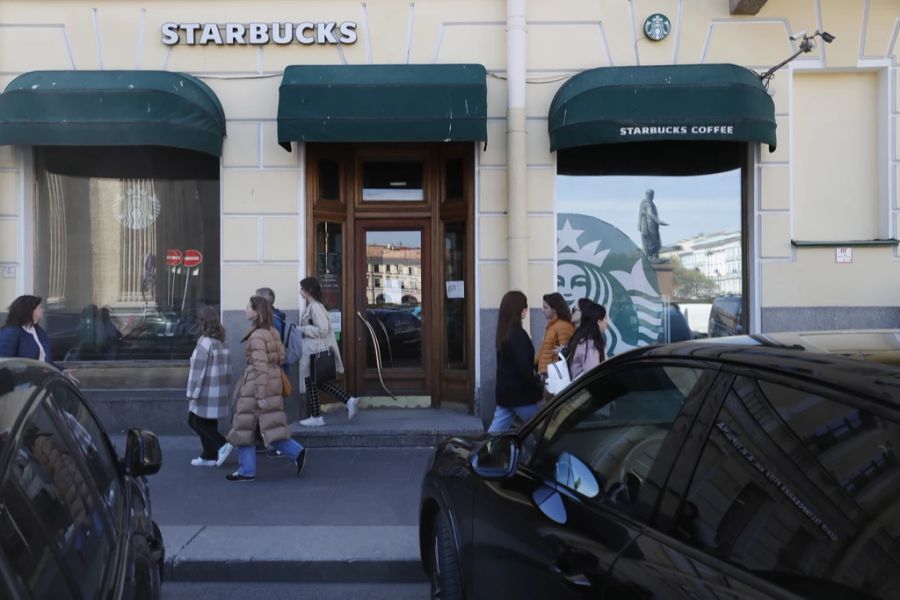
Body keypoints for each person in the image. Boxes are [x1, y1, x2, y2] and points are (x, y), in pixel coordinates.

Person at [224, 296, 306, 482]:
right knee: (268, 425)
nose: (244, 309)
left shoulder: (257, 336)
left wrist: (260, 394)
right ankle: (296, 452)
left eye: (248, 307)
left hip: (256, 386)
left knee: (244, 428)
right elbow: (281, 356)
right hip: (271, 382)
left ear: (256, 312)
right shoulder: (271, 332)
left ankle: (247, 471)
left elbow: (260, 366)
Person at [297, 277, 359, 426]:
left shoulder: (316, 307)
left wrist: (302, 329)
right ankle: (347, 401)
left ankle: (318, 416)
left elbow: (323, 329)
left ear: (308, 291)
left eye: (302, 288)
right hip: (312, 349)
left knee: (313, 382)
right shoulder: (313, 306)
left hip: (315, 350)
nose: (299, 291)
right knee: (316, 382)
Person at [488, 291, 543, 433]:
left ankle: (478, 454)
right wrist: (538, 386)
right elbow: (524, 368)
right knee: (542, 433)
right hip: (521, 396)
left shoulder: (504, 332)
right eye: (525, 306)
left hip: (505, 395)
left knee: (493, 436)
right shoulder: (518, 334)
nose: (527, 309)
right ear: (519, 310)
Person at [185, 306, 233, 468]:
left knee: (194, 421)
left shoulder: (204, 342)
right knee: (209, 423)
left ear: (202, 322)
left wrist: (191, 392)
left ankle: (222, 444)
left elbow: (197, 370)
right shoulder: (221, 342)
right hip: (218, 389)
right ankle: (209, 456)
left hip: (204, 390)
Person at [0, 295, 77, 383]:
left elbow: (45, 362)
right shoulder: (12, 331)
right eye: (39, 307)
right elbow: (4, 362)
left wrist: (62, 371)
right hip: (21, 387)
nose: (42, 310)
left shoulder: (38, 331)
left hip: (41, 385)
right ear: (30, 311)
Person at [536, 292, 575, 384]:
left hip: (555, 375)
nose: (542, 310)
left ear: (555, 309)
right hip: (546, 373)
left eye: (545, 307)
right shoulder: (552, 325)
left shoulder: (563, 326)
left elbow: (565, 354)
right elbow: (544, 350)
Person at [566, 299, 608, 380]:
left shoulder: (582, 339)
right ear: (599, 322)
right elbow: (592, 376)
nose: (607, 322)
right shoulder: (590, 345)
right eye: (605, 319)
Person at [638, 188, 668, 261]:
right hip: (648, 225)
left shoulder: (650, 202)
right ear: (649, 194)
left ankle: (654, 256)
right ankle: (652, 257)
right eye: (652, 195)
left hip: (652, 225)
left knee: (655, 241)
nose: (653, 196)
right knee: (651, 242)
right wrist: (658, 221)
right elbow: (650, 212)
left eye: (653, 195)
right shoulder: (646, 202)